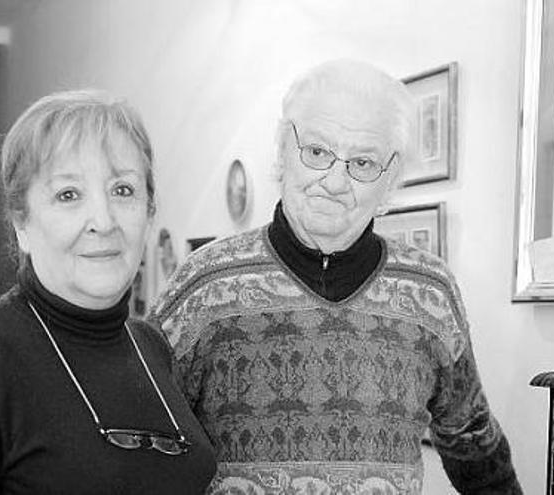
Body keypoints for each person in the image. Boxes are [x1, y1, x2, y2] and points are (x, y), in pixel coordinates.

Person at [149, 60, 521, 494]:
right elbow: (149, 446)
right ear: (282, 151)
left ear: (390, 183)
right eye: (318, 151)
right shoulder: (204, 284)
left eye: (363, 162)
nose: (335, 180)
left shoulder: (430, 292)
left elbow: (474, 445)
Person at [0, 90, 216, 494]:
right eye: (68, 195)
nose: (103, 221)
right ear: (22, 222)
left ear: (149, 209)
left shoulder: (151, 346)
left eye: (122, 190)